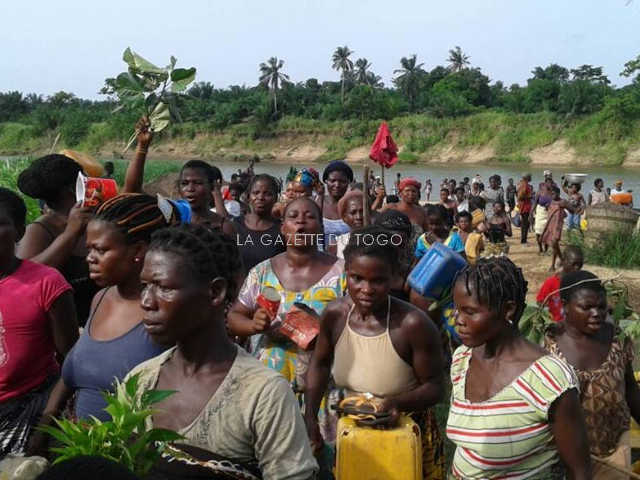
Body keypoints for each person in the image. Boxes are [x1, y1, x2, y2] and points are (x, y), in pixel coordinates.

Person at [126, 224, 318, 480]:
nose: (146, 302)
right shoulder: (140, 381)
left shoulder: (262, 394)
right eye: (145, 286)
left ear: (215, 292)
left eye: (164, 288)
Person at [32, 194, 180, 437]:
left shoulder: (164, 312)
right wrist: (43, 429)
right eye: (89, 248)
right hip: (77, 445)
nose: (90, 258)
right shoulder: (100, 299)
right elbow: (69, 377)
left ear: (138, 250)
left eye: (100, 249)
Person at [305, 226, 446, 479]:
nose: (366, 289)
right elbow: (320, 363)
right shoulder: (335, 315)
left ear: (394, 277)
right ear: (346, 273)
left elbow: (436, 387)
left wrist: (397, 404)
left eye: (378, 281)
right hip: (349, 431)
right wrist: (310, 417)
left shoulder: (413, 325)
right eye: (357, 278)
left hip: (404, 434)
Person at [227, 197, 345, 473]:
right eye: (293, 216)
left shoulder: (342, 273)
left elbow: (357, 326)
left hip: (326, 392)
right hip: (271, 391)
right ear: (283, 228)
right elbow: (234, 318)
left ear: (321, 227)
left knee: (325, 465)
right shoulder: (262, 272)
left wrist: (319, 331)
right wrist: (254, 325)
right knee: (271, 465)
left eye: (310, 216)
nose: (301, 222)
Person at [448, 257, 592, 479]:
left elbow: (579, 470)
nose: (458, 320)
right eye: (456, 309)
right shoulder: (462, 359)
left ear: (508, 309)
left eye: (470, 311)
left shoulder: (549, 380)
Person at [0, 188, 78, 457]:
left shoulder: (47, 283)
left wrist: (46, 422)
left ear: (19, 232)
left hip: (27, 408)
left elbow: (70, 360)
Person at [544, 270, 640, 479]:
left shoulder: (616, 340)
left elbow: (631, 390)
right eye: (586, 307)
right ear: (565, 306)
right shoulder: (548, 348)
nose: (596, 313)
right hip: (563, 458)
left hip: (615, 452)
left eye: (601, 306)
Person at [16, 154, 97, 324]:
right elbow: (24, 280)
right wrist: (71, 234)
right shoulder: (39, 230)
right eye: (85, 180)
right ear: (74, 188)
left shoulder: (93, 219)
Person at [223, 174, 285, 275]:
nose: (260, 197)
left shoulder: (283, 230)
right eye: (256, 193)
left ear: (276, 198)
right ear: (248, 197)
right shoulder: (234, 226)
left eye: (267, 194)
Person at [536, 245, 583, 322]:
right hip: (556, 324)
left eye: (580, 264)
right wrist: (547, 317)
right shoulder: (551, 283)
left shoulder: (581, 282)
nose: (577, 268)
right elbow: (540, 302)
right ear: (563, 261)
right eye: (574, 264)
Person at [382, 177, 427, 247]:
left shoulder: (421, 212)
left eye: (414, 191)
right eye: (407, 191)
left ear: (417, 194)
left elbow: (426, 233)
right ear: (400, 193)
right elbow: (376, 222)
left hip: (415, 251)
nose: (411, 194)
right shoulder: (391, 207)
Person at [320, 161, 354, 254]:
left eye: (342, 181)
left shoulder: (354, 207)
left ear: (349, 182)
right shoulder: (317, 202)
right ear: (326, 181)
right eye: (332, 181)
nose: (337, 185)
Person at [542, 186, 572, 270]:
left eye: (554, 194)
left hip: (558, 227)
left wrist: (576, 208)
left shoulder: (562, 202)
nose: (552, 195)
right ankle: (562, 259)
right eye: (551, 194)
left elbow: (571, 210)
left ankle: (552, 265)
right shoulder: (551, 202)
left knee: (554, 243)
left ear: (558, 193)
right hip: (550, 226)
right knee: (554, 245)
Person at [334, 190, 365, 260]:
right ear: (344, 217)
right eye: (353, 213)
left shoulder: (379, 241)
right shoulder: (336, 244)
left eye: (362, 211)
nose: (359, 217)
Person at [517, 173, 534, 244]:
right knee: (525, 224)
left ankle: (523, 239)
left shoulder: (521, 184)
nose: (531, 178)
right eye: (530, 177)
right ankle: (523, 240)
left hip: (523, 206)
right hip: (525, 207)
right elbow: (520, 196)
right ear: (527, 178)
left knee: (524, 224)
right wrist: (530, 196)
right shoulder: (525, 185)